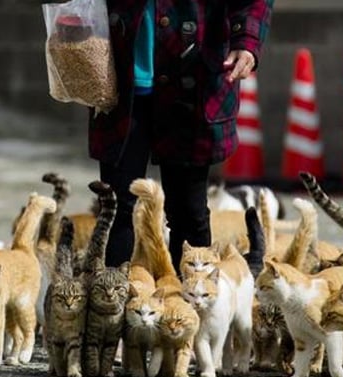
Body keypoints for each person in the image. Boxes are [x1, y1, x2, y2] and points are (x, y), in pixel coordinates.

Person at [89, 0, 274, 272]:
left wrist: (246, 40)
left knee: (189, 212)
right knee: (117, 209)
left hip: (193, 79)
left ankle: (191, 307)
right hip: (118, 78)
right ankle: (113, 306)